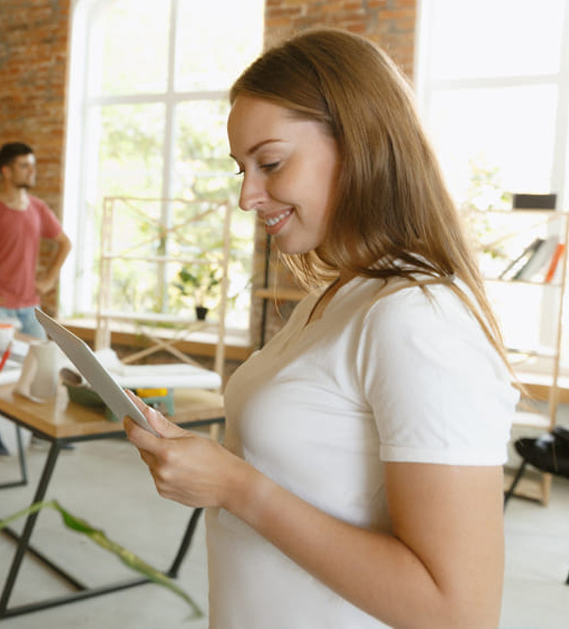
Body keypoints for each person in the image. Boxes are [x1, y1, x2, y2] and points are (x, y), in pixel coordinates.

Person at [124, 28, 518, 627]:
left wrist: (237, 488)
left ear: (359, 143)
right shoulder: (338, 295)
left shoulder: (418, 320)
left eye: (271, 163)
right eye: (241, 170)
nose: (247, 196)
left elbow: (458, 611)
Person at [0, 141, 72, 457]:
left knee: (41, 370)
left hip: (30, 307)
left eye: (32, 164)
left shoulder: (38, 208)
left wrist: (48, 279)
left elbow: (64, 243)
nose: (32, 171)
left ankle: (39, 434)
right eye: (25, 165)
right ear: (6, 170)